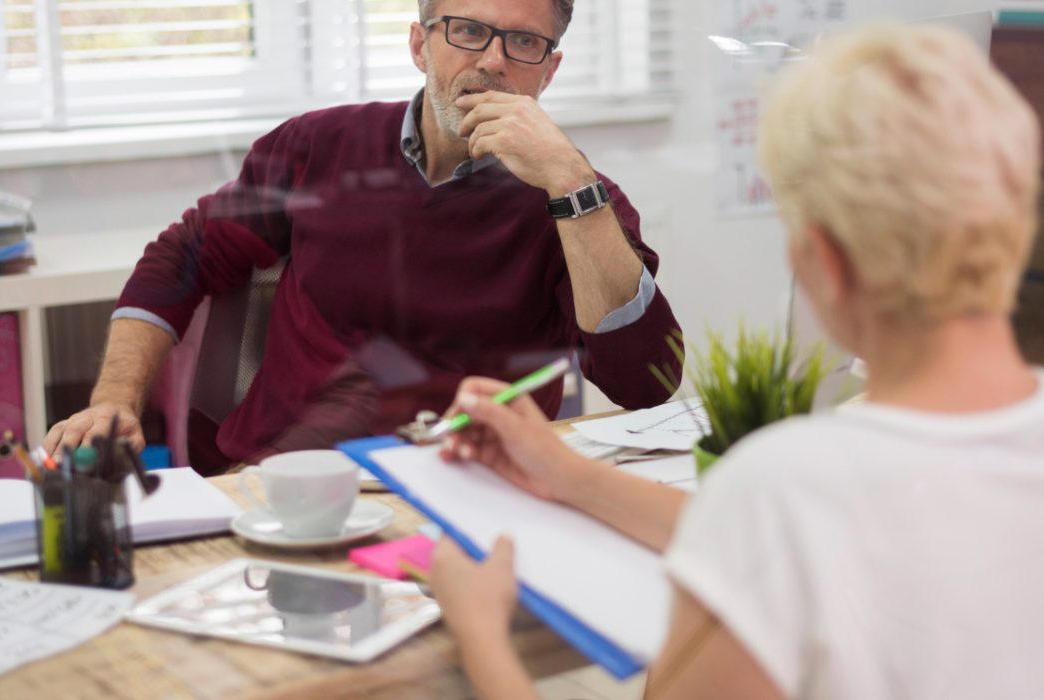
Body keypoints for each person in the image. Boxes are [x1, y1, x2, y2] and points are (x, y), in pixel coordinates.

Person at [427, 24, 1044, 700]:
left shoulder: (789, 486)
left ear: (826, 263)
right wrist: (569, 476)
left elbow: (778, 517)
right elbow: (781, 527)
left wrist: (484, 633)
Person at [42, 0, 682, 471]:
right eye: (466, 31)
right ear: (419, 45)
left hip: (469, 488)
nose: (492, 62)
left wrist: (571, 182)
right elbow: (181, 259)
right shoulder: (317, 146)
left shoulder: (578, 199)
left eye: (524, 43)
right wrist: (113, 400)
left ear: (550, 70)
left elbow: (647, 384)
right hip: (285, 475)